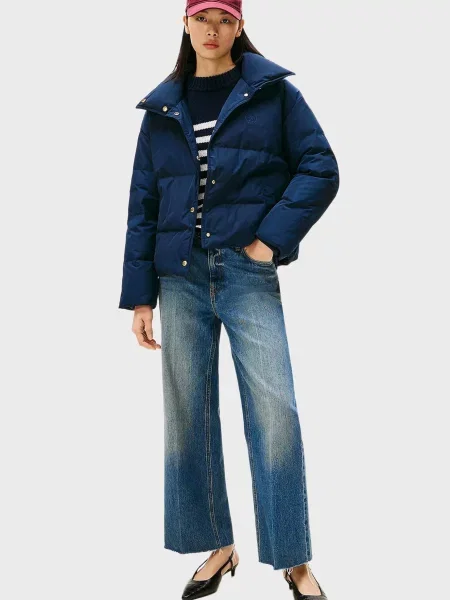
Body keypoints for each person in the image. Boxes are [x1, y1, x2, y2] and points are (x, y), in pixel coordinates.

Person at [119, 0, 339, 597]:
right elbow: (143, 205)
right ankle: (218, 546)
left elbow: (321, 167)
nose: (212, 30)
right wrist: (140, 298)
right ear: (185, 24)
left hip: (246, 273)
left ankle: (293, 559)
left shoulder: (274, 95)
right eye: (202, 18)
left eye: (223, 18)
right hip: (178, 277)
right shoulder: (162, 109)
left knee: (275, 412)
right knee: (187, 415)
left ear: (239, 25)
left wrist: (270, 240)